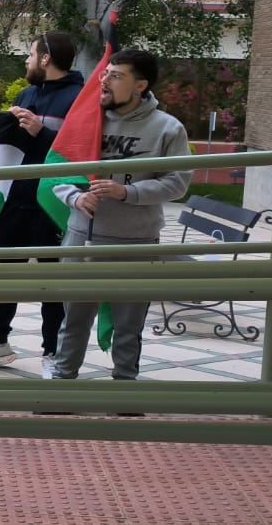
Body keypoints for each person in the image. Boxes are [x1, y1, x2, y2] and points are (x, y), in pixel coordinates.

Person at [49, 49, 190, 385]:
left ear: (140, 85)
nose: (104, 80)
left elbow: (177, 183)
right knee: (73, 322)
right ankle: (61, 387)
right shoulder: (85, 119)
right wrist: (75, 197)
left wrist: (128, 193)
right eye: (105, 73)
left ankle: (124, 392)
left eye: (116, 75)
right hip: (81, 239)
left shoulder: (168, 128)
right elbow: (55, 173)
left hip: (136, 243)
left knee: (129, 326)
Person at [0, 32, 85, 375]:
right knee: (6, 274)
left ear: (46, 58)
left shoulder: (79, 99)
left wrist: (42, 132)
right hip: (16, 200)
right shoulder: (27, 94)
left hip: (53, 205)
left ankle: (53, 354)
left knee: (51, 282)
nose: (26, 60)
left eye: (30, 54)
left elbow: (80, 153)